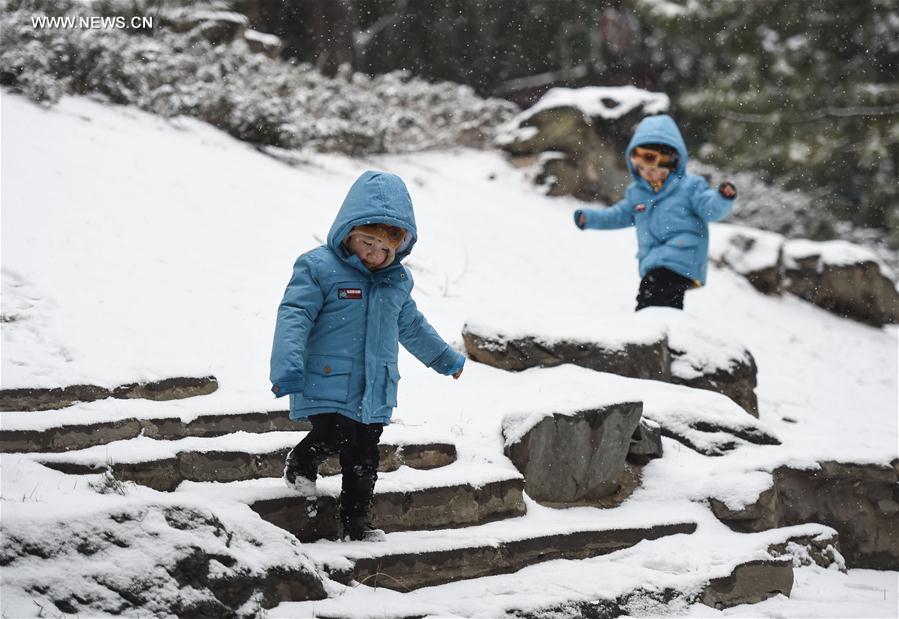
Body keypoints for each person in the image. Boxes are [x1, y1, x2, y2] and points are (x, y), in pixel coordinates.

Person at [270, 170, 464, 542]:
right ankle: (303, 460)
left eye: (386, 249)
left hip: (374, 386)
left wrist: (445, 359)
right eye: (367, 243)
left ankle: (356, 524)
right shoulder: (318, 268)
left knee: (364, 458)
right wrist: (287, 366)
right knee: (335, 435)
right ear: (348, 232)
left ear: (400, 247)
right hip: (327, 377)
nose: (375, 255)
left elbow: (412, 326)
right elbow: (295, 315)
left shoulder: (396, 282)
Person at [574, 114, 737, 311]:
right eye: (642, 169)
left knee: (653, 294)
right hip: (655, 260)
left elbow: (710, 209)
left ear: (673, 162)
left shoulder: (690, 187)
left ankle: (651, 332)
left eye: (654, 169)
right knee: (656, 300)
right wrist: (590, 218)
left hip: (682, 255)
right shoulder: (637, 194)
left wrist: (722, 198)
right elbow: (618, 215)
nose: (648, 174)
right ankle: (663, 332)